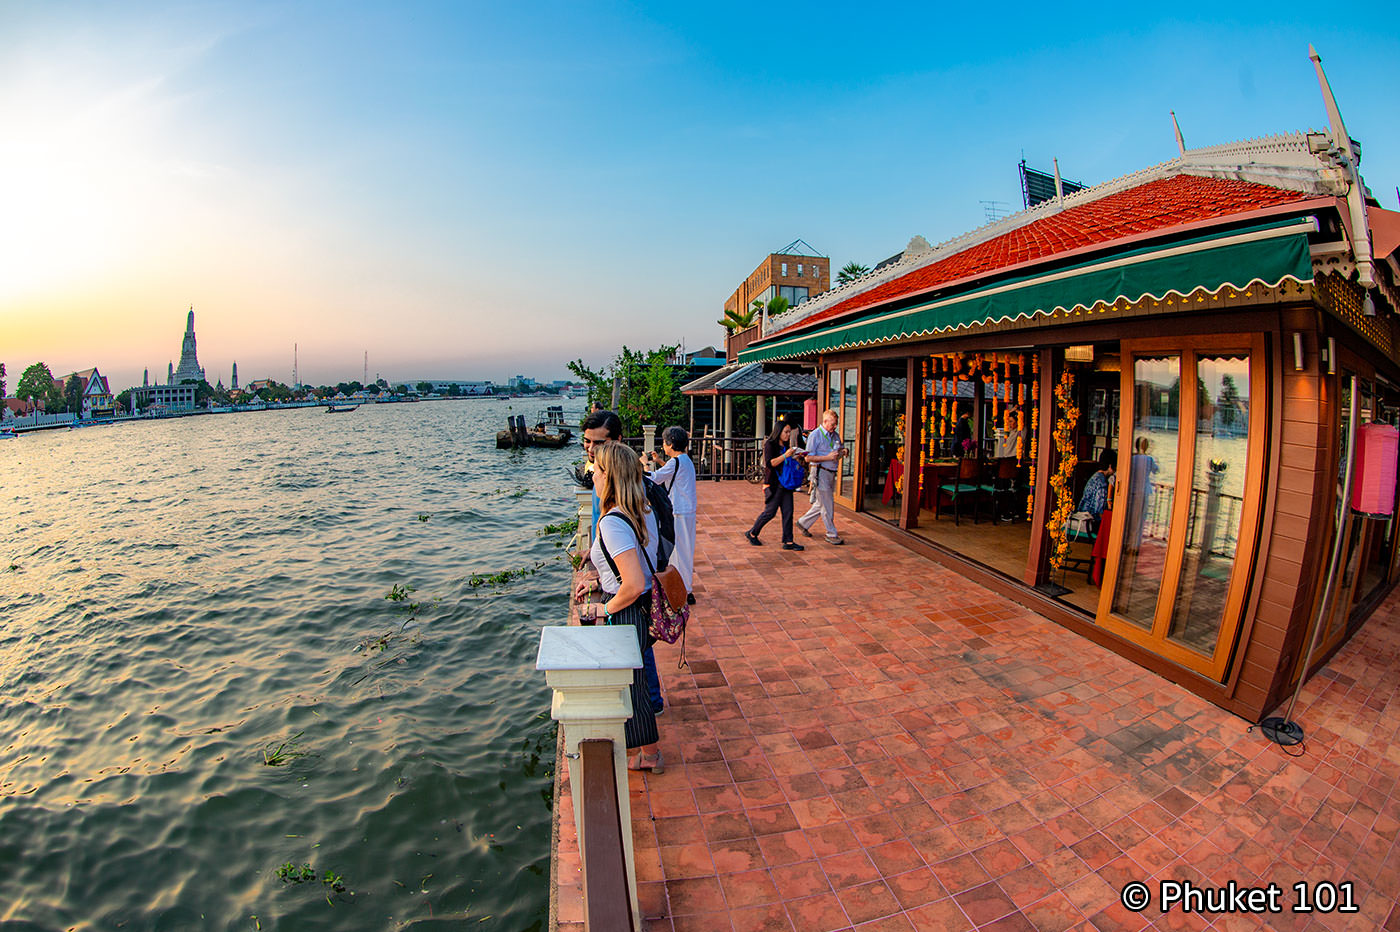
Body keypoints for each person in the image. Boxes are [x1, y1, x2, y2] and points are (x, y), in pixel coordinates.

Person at [573, 442, 663, 771]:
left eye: (596, 471)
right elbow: (631, 565)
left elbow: (633, 582)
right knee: (635, 682)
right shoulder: (642, 509)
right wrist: (600, 582)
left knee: (632, 687)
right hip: (643, 604)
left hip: (628, 608)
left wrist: (603, 609)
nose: (592, 476)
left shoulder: (612, 522)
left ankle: (650, 755)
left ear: (609, 476)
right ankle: (648, 752)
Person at [646, 426, 697, 604]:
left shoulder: (675, 462)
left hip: (679, 512)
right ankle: (684, 588)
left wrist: (644, 465)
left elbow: (654, 478)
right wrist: (659, 461)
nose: (663, 446)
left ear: (670, 444)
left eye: (664, 442)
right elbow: (671, 472)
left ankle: (684, 591)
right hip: (688, 511)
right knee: (685, 550)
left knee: (678, 552)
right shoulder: (685, 460)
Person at [745, 419, 804, 551]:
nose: (788, 435)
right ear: (779, 431)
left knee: (788, 512)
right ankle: (752, 533)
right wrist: (785, 455)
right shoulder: (770, 444)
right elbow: (770, 463)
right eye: (786, 432)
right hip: (774, 484)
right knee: (770, 512)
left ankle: (788, 541)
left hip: (787, 483)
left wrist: (796, 456)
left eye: (789, 432)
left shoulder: (786, 445)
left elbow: (786, 462)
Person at [796, 409, 848, 545]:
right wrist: (827, 457)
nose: (835, 426)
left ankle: (803, 522)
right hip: (820, 472)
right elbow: (808, 458)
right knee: (827, 504)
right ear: (825, 422)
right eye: (833, 424)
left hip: (831, 472)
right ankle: (831, 533)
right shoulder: (815, 435)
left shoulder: (835, 435)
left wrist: (843, 451)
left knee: (821, 503)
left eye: (836, 424)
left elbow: (838, 450)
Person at [1076, 449, 1116, 520]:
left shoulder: (1094, 477)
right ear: (1110, 466)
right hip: (1090, 520)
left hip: (1081, 516)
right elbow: (1099, 510)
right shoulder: (1102, 483)